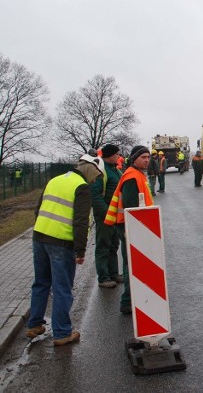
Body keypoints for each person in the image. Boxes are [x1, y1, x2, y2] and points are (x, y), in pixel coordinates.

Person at [26, 155, 103, 346]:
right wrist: (80, 250)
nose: (95, 180)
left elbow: (38, 209)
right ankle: (61, 333)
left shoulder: (55, 180)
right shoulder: (81, 187)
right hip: (61, 243)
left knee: (41, 283)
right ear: (91, 169)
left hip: (40, 237)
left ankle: (34, 325)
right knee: (62, 288)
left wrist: (41, 230)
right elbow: (81, 221)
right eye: (96, 176)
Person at [104, 145, 153, 314]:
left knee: (132, 262)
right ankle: (127, 301)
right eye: (143, 157)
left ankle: (131, 299)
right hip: (129, 226)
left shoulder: (137, 174)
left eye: (148, 157)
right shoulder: (132, 177)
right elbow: (132, 207)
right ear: (134, 159)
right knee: (131, 263)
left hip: (131, 226)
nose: (147, 160)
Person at [90, 144, 123, 289]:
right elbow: (95, 195)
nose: (119, 156)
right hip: (105, 216)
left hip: (115, 216)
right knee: (103, 246)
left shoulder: (115, 170)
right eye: (117, 154)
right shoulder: (101, 172)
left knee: (113, 245)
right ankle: (103, 277)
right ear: (109, 155)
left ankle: (113, 273)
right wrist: (106, 214)